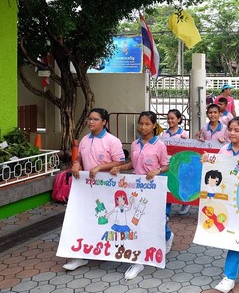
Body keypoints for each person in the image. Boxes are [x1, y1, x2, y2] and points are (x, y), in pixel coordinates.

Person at [109, 111, 171, 280]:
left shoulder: (159, 145)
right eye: (141, 123)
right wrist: (120, 168)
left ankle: (168, 235)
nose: (143, 127)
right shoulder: (135, 144)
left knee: (157, 221)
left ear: (154, 126)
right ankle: (138, 260)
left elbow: (166, 165)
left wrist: (157, 170)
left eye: (147, 124)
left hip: (153, 190)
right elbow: (132, 163)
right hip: (135, 189)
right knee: (137, 222)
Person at [202, 117, 239, 293]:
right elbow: (216, 169)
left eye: (237, 130)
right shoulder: (223, 150)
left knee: (237, 237)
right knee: (235, 235)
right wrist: (206, 160)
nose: (232, 133)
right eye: (230, 129)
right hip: (226, 200)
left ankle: (229, 277)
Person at [64, 108, 125, 271]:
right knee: (85, 220)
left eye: (95, 119)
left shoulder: (112, 141)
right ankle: (81, 256)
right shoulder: (85, 139)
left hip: (107, 190)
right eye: (89, 119)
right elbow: (80, 157)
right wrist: (77, 163)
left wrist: (100, 167)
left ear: (104, 122)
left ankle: (110, 250)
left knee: (107, 221)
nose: (91, 122)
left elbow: (120, 162)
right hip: (87, 189)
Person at [161, 110, 190, 214]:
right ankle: (167, 209)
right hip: (168, 165)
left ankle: (185, 203)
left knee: (180, 183)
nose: (170, 120)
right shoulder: (164, 134)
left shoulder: (184, 134)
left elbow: (188, 149)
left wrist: (185, 140)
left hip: (180, 164)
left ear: (178, 119)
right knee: (168, 184)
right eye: (168, 118)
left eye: (172, 118)